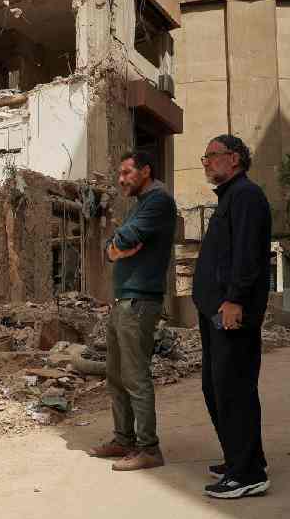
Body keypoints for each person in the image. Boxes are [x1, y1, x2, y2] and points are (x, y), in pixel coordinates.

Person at [193, 135, 271, 499]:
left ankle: (248, 474)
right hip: (216, 312)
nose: (205, 162)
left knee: (233, 389)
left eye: (212, 156)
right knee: (217, 387)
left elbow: (247, 254)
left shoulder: (246, 196)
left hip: (231, 312)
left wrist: (235, 300)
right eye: (205, 157)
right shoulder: (231, 197)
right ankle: (241, 457)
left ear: (234, 159)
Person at [88, 151, 177, 471]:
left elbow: (126, 236)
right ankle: (123, 439)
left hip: (139, 302)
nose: (122, 179)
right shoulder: (142, 205)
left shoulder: (158, 201)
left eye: (127, 172)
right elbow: (112, 246)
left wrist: (117, 244)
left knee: (135, 376)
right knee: (116, 375)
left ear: (145, 171)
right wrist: (114, 248)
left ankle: (148, 448)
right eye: (120, 174)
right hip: (124, 301)